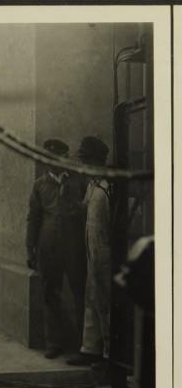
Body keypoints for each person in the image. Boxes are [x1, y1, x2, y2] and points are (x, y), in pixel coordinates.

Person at [26, 139, 88, 359]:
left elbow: (86, 210)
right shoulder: (39, 184)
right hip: (48, 246)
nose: (52, 162)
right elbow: (33, 218)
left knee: (79, 293)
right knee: (50, 293)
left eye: (56, 158)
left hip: (74, 245)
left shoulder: (78, 180)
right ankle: (54, 342)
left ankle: (83, 345)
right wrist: (30, 248)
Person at [67, 137, 112, 366]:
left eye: (85, 161)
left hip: (105, 251)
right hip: (91, 248)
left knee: (105, 301)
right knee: (91, 297)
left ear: (97, 161)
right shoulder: (92, 186)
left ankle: (108, 353)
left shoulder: (108, 187)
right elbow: (84, 207)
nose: (83, 166)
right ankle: (90, 349)